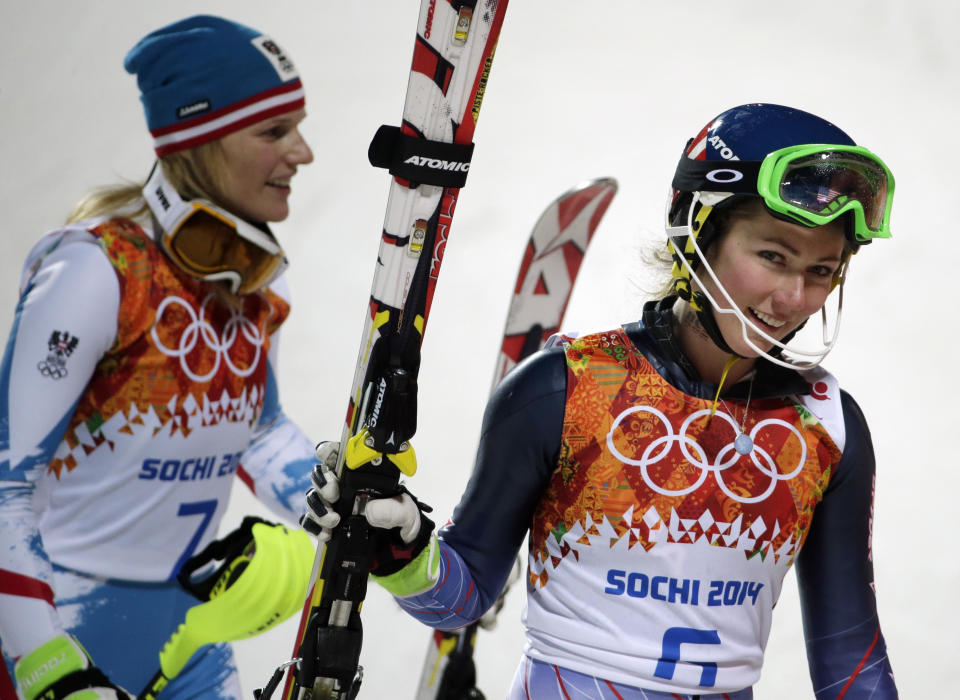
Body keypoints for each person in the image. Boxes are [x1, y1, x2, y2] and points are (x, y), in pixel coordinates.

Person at [302, 103, 900, 698]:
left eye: (822, 271)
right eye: (773, 256)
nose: (794, 296)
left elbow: (852, 659)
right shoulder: (565, 387)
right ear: (697, 230)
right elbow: (461, 603)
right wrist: (402, 548)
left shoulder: (826, 426)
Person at [0, 15, 318, 700]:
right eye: (274, 132)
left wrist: (346, 505)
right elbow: (6, 485)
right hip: (53, 626)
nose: (304, 153)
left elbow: (258, 435)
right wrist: (47, 667)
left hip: (183, 631)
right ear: (200, 140)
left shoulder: (259, 277)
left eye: (298, 126)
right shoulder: (94, 271)